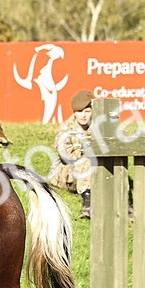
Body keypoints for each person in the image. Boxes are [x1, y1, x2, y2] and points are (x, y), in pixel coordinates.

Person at [54, 89, 95, 219]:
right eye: (79, 111)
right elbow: (65, 155)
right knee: (86, 160)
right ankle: (87, 202)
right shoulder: (66, 129)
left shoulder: (98, 128)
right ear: (74, 113)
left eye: (87, 111)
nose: (83, 115)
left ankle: (126, 204)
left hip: (95, 172)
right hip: (69, 175)